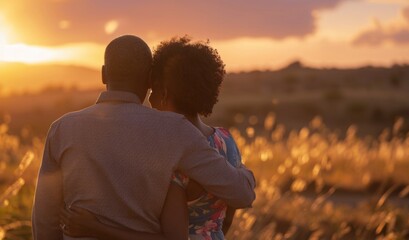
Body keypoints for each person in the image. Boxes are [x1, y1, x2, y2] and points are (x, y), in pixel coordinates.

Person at [32, 35, 256, 240]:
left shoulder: (61, 129)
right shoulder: (175, 130)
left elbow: (44, 222)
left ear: (103, 74)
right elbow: (240, 194)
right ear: (149, 79)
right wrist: (244, 172)